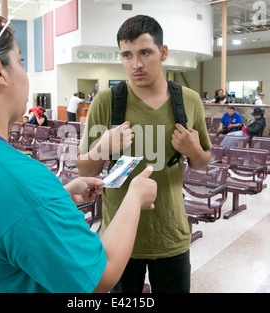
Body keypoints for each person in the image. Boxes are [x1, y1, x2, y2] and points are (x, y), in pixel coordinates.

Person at [0, 16, 157, 293]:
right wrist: (135, 196)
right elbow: (100, 278)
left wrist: (58, 198)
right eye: (20, 61)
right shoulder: (18, 179)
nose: (24, 72)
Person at [76, 15, 211, 293]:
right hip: (119, 237)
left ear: (162, 52)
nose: (135, 64)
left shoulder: (188, 101)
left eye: (145, 52)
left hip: (170, 235)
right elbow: (85, 170)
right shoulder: (106, 101)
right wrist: (103, 147)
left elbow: (201, 163)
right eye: (127, 55)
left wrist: (193, 150)